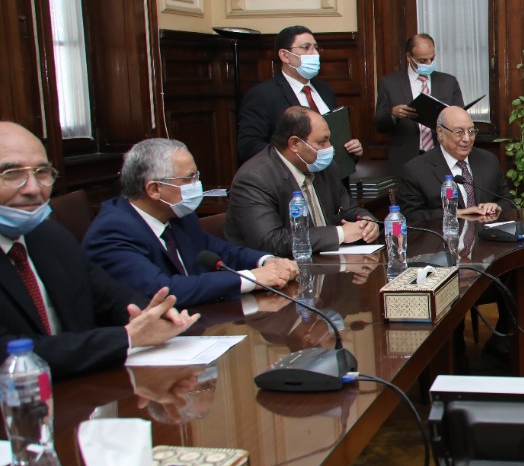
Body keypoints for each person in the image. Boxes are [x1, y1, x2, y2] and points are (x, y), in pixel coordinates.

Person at [0, 122, 199, 379]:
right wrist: (127, 337)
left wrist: (151, 313)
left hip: (81, 389)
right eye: (12, 173)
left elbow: (109, 295)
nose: (34, 188)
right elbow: (10, 356)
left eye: (42, 172)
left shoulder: (50, 236)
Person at [398, 106, 524, 368]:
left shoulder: (487, 161)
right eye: (459, 132)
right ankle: (454, 358)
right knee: (445, 285)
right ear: (440, 133)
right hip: (444, 260)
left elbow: (506, 200)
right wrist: (457, 213)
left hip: (489, 257)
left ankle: (504, 343)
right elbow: (411, 218)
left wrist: (495, 207)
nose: (467, 139)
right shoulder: (416, 169)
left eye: (471, 131)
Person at [83, 138, 298, 308]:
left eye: (197, 176)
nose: (197, 185)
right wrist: (251, 278)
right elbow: (162, 289)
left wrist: (267, 261)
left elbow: (219, 251)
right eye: (189, 178)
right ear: (154, 189)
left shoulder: (179, 215)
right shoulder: (112, 232)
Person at [225, 107, 379, 257]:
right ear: (294, 144)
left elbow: (350, 209)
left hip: (327, 261)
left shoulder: (327, 168)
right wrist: (340, 234)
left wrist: (367, 223)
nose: (330, 148)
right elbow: (270, 241)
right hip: (280, 268)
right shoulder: (255, 178)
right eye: (322, 142)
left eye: (329, 140)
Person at [237, 25, 364, 164]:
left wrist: (350, 149)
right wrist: (294, 156)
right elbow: (248, 146)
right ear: (285, 55)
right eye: (306, 47)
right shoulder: (262, 95)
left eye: (316, 47)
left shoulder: (324, 89)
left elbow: (332, 138)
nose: (315, 53)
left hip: (333, 176)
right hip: (289, 176)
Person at [374, 33, 465, 179]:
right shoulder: (390, 83)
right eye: (423, 60)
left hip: (442, 157)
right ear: (409, 57)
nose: (429, 64)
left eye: (432, 59)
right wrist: (393, 114)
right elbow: (379, 124)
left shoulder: (448, 82)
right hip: (406, 158)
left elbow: (461, 118)